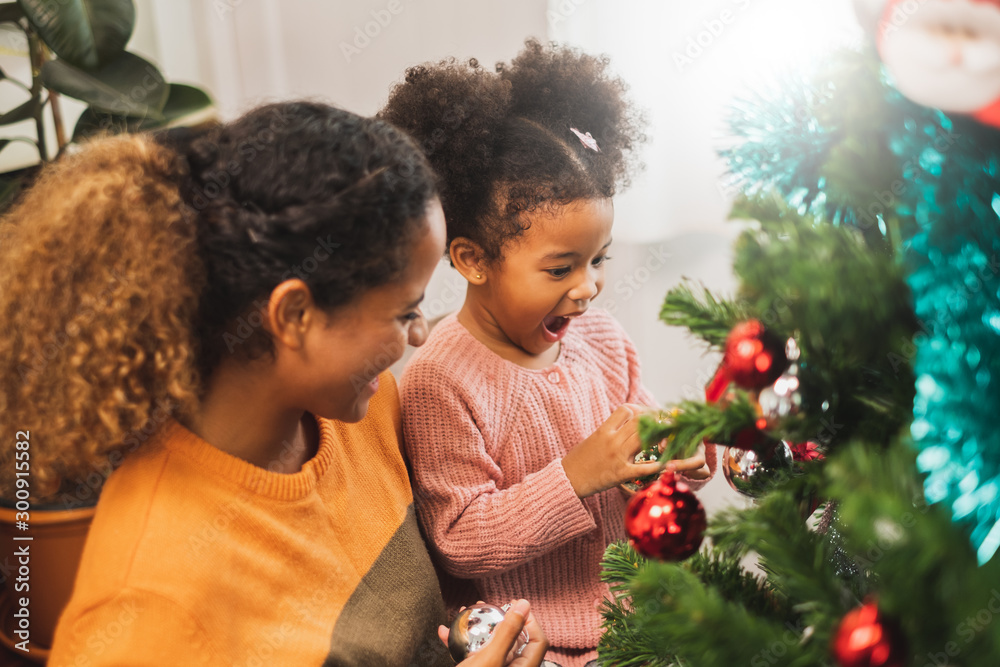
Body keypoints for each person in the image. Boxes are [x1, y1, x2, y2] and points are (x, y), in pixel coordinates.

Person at [0, 103, 547, 665]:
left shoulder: (366, 408)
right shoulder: (148, 600)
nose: (416, 337)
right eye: (405, 311)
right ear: (293, 316)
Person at [380, 41, 717, 667]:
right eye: (561, 267)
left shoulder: (604, 339)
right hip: (545, 648)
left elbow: (640, 449)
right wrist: (575, 476)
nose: (587, 287)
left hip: (644, 619)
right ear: (472, 260)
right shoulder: (439, 381)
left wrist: (682, 452)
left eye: (599, 260)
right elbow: (458, 539)